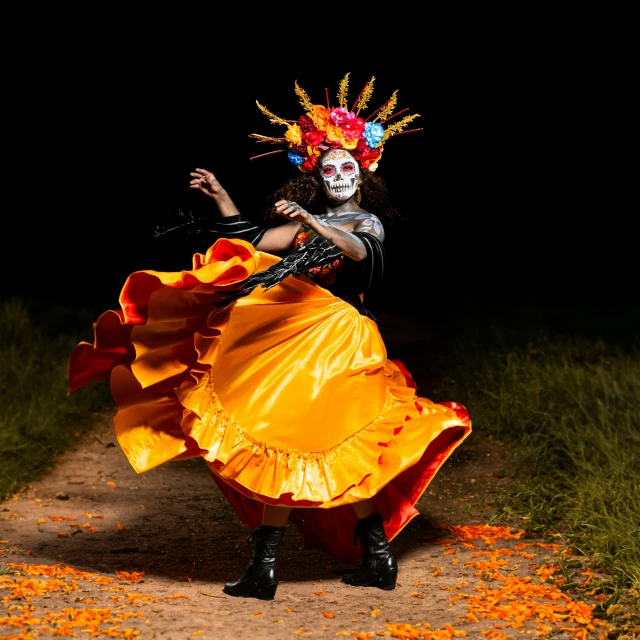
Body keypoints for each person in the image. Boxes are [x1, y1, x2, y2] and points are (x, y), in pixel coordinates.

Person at [68, 73, 471, 601]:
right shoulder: (306, 223)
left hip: (343, 340)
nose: (340, 174)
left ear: (365, 168)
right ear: (315, 174)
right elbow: (254, 241)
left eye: (348, 165)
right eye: (330, 167)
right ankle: (278, 567)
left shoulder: (366, 220)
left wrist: (312, 221)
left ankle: (372, 556)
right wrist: (222, 197)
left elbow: (355, 251)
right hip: (296, 338)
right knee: (280, 438)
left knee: (345, 445)